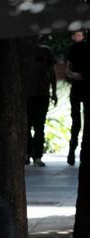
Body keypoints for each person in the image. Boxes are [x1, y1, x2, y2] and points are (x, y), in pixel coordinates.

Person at [26, 43, 57, 167]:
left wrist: (54, 92)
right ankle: (27, 154)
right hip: (27, 95)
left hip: (42, 94)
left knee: (39, 126)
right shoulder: (23, 51)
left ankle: (37, 155)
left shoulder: (45, 51)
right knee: (26, 126)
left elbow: (52, 72)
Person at [67, 31, 89, 165]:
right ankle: (72, 151)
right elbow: (68, 71)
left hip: (82, 88)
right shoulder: (74, 48)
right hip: (77, 88)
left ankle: (78, 152)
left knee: (79, 122)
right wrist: (74, 75)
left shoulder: (76, 48)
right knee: (76, 122)